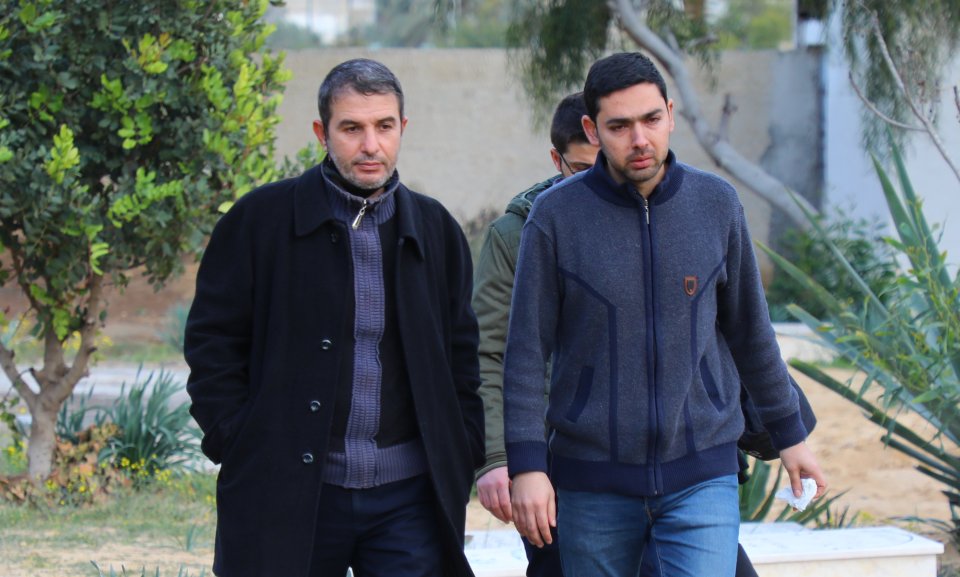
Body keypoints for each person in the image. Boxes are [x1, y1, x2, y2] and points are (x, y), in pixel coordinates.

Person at [503, 52, 827, 577]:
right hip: (590, 481)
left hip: (702, 473)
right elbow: (524, 351)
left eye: (651, 119)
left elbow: (751, 332)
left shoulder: (716, 204)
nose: (639, 139)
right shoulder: (555, 217)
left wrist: (790, 436)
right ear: (592, 129)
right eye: (619, 126)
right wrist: (527, 466)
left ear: (671, 114)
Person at [184, 58, 484, 577]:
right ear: (322, 133)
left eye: (384, 126)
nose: (371, 145)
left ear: (402, 128)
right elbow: (213, 344)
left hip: (409, 501)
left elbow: (462, 356)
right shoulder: (259, 221)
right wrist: (239, 440)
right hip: (284, 490)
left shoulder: (436, 229)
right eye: (351, 128)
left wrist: (463, 447)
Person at [473, 92, 598, 577]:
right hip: (550, 455)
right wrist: (497, 457)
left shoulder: (657, 217)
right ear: (555, 159)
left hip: (646, 458)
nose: (595, 182)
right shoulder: (516, 234)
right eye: (580, 169)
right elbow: (489, 350)